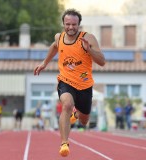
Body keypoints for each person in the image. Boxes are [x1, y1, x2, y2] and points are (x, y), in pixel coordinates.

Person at [34, 8, 105, 157]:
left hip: (85, 85)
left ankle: (77, 114)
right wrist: (44, 63)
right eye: (68, 24)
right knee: (66, 104)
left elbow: (102, 62)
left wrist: (89, 50)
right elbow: (54, 47)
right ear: (63, 24)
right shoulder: (59, 37)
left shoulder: (88, 38)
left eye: (74, 24)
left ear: (79, 24)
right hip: (65, 81)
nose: (71, 27)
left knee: (85, 120)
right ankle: (64, 143)